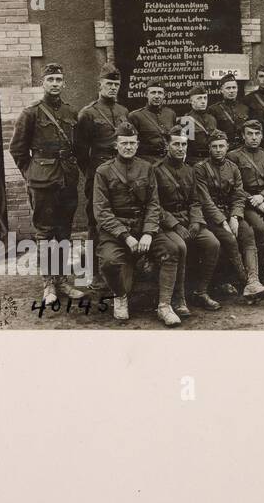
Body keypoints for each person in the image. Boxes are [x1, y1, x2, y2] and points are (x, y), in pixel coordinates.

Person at [7, 61, 82, 304]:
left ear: (64, 83)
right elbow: (17, 149)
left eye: (59, 80)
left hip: (67, 181)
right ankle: (48, 283)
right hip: (42, 183)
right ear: (43, 83)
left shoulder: (71, 113)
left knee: (63, 232)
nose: (55, 84)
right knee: (45, 232)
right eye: (50, 80)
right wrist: (32, 173)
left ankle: (61, 280)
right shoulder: (31, 113)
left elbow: (77, 147)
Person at [92, 122, 181, 325]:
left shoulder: (146, 168)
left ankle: (165, 305)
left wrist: (149, 232)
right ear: (116, 145)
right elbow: (102, 211)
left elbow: (153, 203)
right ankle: (120, 296)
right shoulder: (103, 172)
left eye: (132, 143)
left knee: (171, 249)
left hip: (143, 227)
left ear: (138, 144)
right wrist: (125, 236)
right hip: (116, 231)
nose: (128, 147)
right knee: (108, 261)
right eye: (124, 143)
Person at [193, 130, 264, 302]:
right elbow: (205, 201)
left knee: (248, 234)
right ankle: (247, 284)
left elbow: (238, 195)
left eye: (222, 146)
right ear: (209, 148)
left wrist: (235, 217)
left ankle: (254, 280)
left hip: (231, 213)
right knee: (229, 239)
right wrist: (222, 222)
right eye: (214, 147)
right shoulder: (200, 169)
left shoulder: (233, 168)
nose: (218, 150)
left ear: (227, 147)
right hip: (211, 217)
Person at [155, 123, 223, 312]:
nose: (180, 148)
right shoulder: (156, 170)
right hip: (167, 224)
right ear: (167, 145)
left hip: (189, 221)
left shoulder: (189, 170)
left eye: (183, 145)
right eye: (176, 144)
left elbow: (195, 200)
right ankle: (178, 298)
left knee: (213, 243)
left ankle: (200, 292)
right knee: (181, 247)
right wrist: (175, 225)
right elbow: (155, 206)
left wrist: (196, 221)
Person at [75, 63, 130, 288]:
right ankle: (92, 272)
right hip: (98, 171)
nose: (113, 88)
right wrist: (93, 172)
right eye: (109, 84)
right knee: (94, 220)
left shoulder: (123, 112)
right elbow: (80, 150)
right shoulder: (87, 113)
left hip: (121, 171)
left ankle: (121, 267)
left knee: (117, 216)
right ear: (100, 85)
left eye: (116, 84)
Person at [227, 119, 264, 291]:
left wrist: (263, 196)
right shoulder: (233, 156)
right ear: (243, 136)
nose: (254, 138)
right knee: (260, 229)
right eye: (249, 134)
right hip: (246, 203)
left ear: (262, 135)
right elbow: (235, 188)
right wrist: (255, 201)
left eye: (257, 134)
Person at [128, 80, 176, 161]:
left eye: (160, 93)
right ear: (146, 94)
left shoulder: (170, 114)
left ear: (164, 95)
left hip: (167, 161)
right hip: (146, 161)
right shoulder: (135, 116)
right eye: (153, 92)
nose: (157, 96)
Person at [178, 84, 218, 164]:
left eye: (205, 98)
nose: (203, 101)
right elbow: (184, 145)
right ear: (192, 101)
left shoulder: (212, 119)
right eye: (199, 98)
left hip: (211, 160)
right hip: (194, 160)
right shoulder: (187, 120)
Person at [211, 73, 250, 143]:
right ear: (221, 90)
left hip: (242, 146)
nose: (231, 91)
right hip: (224, 146)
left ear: (237, 89)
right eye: (228, 88)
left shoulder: (244, 108)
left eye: (234, 87)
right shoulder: (214, 109)